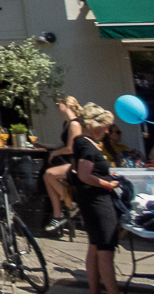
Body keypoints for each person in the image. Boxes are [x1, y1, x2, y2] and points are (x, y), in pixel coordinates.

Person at [71, 103, 121, 294]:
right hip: (98, 202)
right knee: (106, 250)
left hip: (91, 201)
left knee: (94, 247)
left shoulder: (83, 142)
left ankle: (95, 291)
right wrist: (107, 184)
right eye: (105, 126)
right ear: (95, 125)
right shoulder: (85, 143)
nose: (107, 131)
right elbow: (84, 175)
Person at [44, 94, 84, 233]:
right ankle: (58, 214)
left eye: (58, 105)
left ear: (66, 105)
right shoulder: (67, 123)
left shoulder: (75, 124)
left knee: (49, 174)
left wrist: (55, 154)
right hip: (68, 162)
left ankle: (72, 205)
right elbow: (62, 144)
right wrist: (43, 145)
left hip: (76, 164)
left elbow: (70, 148)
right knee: (47, 176)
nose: (57, 107)